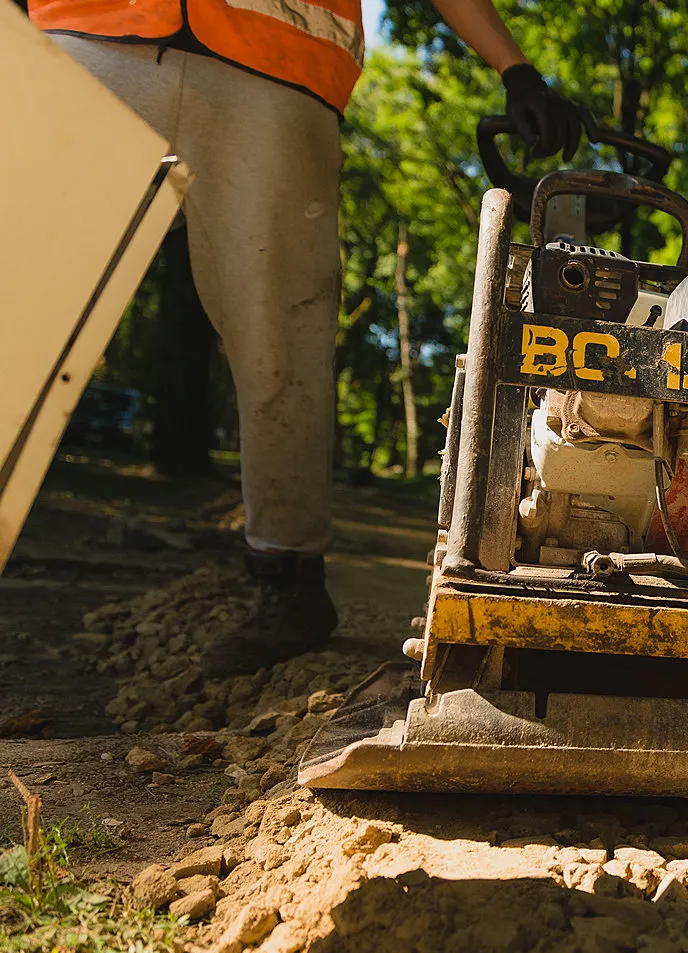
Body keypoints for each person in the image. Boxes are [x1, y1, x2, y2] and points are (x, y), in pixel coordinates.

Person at [27, 0, 578, 676]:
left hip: (277, 60)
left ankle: (288, 582)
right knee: (17, 305)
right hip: (88, 35)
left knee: (282, 337)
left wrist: (513, 66)